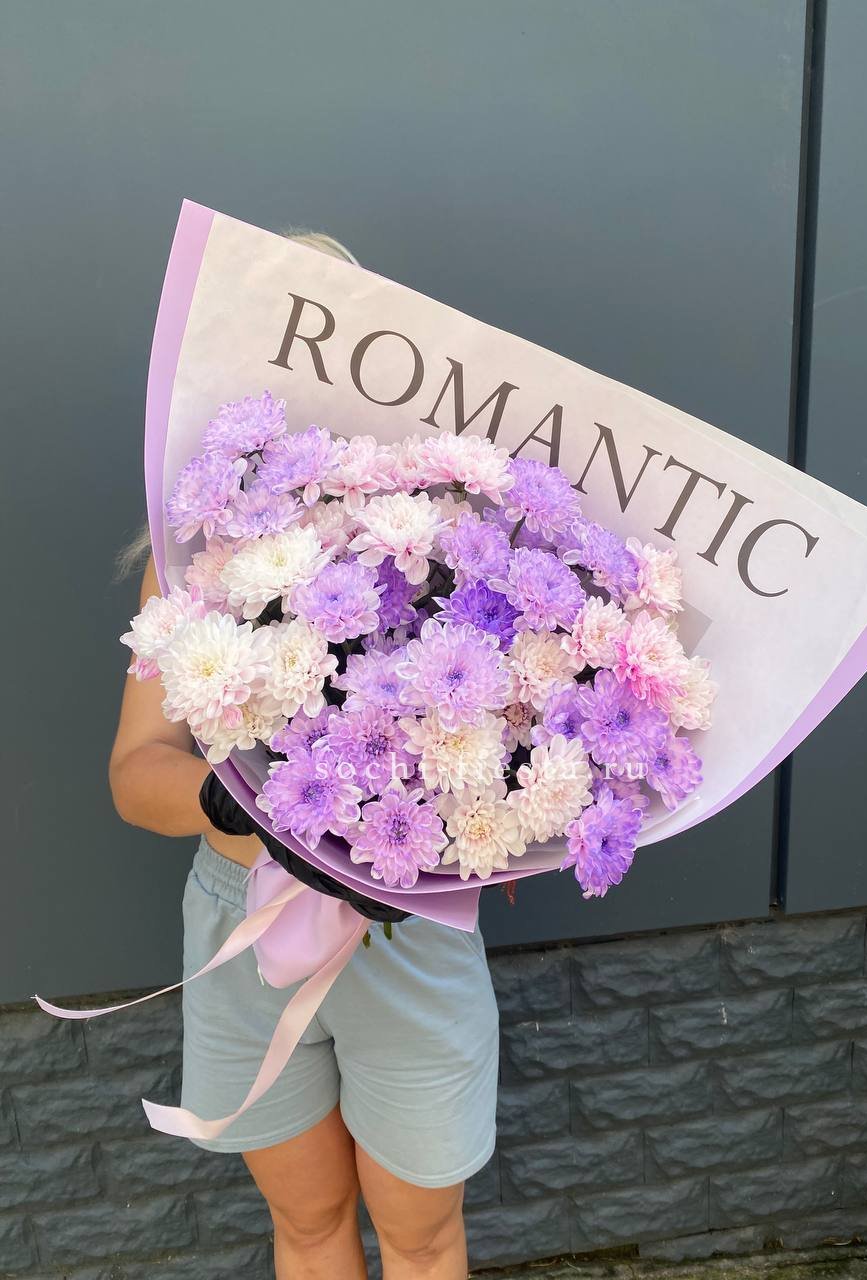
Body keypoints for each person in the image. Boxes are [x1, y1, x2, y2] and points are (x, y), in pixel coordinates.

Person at [107, 228, 500, 1280]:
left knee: (421, 1237)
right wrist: (231, 803)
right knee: (311, 1224)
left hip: (403, 932)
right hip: (240, 927)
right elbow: (136, 771)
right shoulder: (188, 568)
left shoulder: (442, 554)